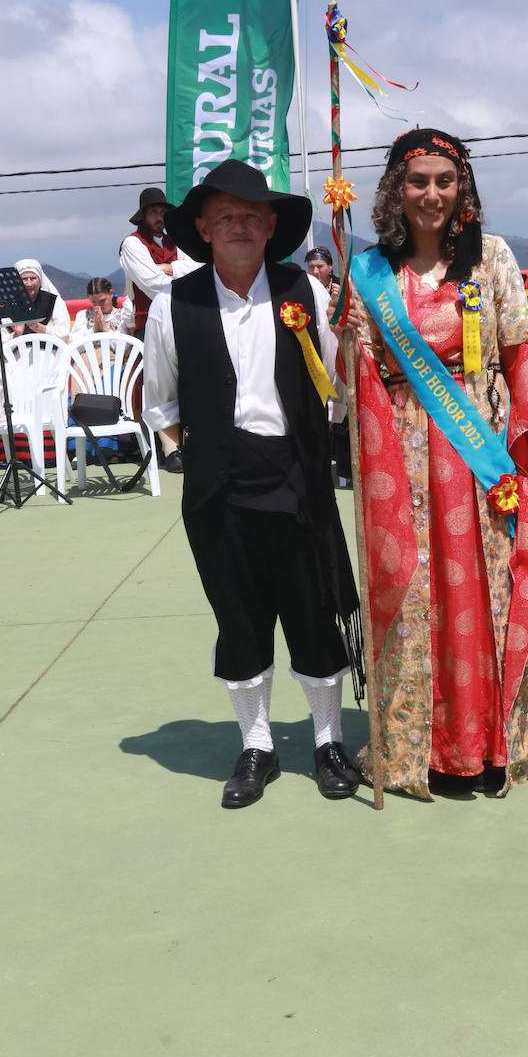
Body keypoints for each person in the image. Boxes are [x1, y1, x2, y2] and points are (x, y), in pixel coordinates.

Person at [348, 128, 528, 800]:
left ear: (461, 188)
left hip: (483, 451)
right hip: (404, 456)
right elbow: (358, 371)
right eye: (418, 181)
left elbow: (522, 349)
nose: (433, 194)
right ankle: (427, 751)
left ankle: (492, 745)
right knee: (417, 595)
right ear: (396, 190)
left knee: (489, 588)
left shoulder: (491, 257)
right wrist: (345, 345)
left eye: (446, 180)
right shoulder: (371, 273)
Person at [143, 159, 364, 809]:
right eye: (226, 218)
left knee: (312, 614)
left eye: (251, 217)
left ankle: (328, 742)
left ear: (271, 227)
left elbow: (335, 390)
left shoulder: (306, 293)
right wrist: (197, 454)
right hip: (217, 489)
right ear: (206, 230)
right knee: (239, 621)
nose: (239, 227)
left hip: (297, 479)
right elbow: (160, 404)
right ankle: (258, 747)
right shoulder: (172, 306)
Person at [119, 186, 196, 474]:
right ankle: (166, 449)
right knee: (156, 387)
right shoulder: (132, 244)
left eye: (163, 211)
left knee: (186, 383)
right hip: (149, 323)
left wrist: (168, 268)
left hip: (182, 320)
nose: (160, 216)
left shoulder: (176, 241)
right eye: (154, 211)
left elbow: (201, 268)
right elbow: (151, 284)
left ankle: (185, 444)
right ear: (143, 215)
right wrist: (177, 269)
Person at [305, 246, 350, 487]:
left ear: (330, 267)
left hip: (335, 356)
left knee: (334, 411)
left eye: (319, 266)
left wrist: (341, 298)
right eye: (311, 267)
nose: (315, 271)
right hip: (311, 355)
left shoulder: (341, 288)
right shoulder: (302, 290)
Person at [12, 259, 70, 339]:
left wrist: (40, 328)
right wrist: (16, 334)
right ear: (17, 281)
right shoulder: (8, 304)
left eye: (33, 279)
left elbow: (64, 333)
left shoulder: (53, 301)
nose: (29, 284)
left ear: (40, 280)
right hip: (15, 351)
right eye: (24, 279)